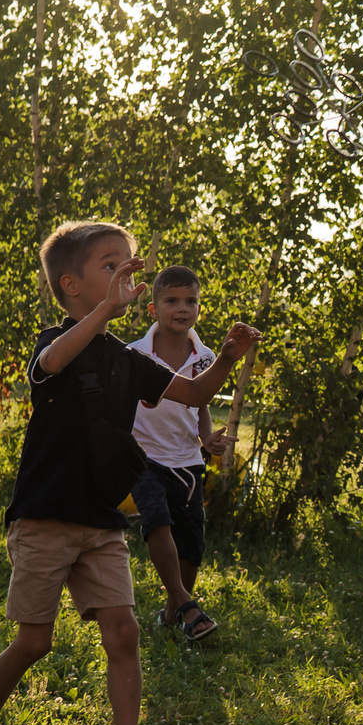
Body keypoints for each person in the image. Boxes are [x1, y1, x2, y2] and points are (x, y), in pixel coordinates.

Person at [0, 222, 255, 725]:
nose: (127, 272)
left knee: (123, 634)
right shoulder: (55, 344)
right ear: (70, 284)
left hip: (101, 523)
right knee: (34, 642)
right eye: (110, 264)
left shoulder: (127, 359)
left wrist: (229, 360)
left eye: (130, 262)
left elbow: (194, 394)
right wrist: (108, 315)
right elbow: (56, 361)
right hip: (44, 517)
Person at [126, 265, 231, 643]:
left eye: (191, 301)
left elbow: (200, 406)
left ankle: (173, 609)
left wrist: (206, 440)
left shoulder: (205, 357)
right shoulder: (134, 354)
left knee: (192, 543)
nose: (181, 308)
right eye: (171, 301)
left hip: (187, 460)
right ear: (153, 309)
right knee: (157, 519)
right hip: (142, 456)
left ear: (199, 308)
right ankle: (188, 605)